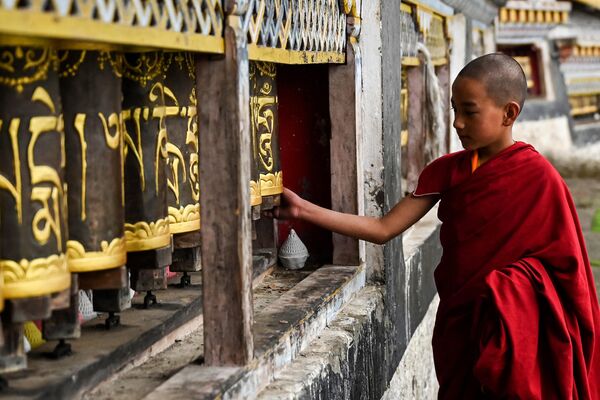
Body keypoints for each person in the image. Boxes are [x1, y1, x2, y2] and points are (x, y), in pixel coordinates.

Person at [268, 53, 600, 399]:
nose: (457, 124)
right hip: (461, 320)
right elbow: (384, 228)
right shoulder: (446, 171)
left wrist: (511, 290)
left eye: (469, 112)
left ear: (509, 113)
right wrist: (304, 210)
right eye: (455, 110)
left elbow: (569, 272)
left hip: (515, 324)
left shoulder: (540, 178)